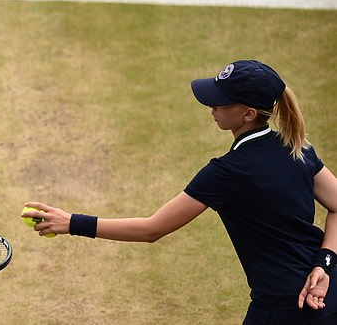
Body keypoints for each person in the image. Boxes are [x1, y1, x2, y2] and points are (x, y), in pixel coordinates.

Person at [23, 60, 337, 324]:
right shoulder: (298, 148)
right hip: (327, 289)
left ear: (248, 114)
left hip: (286, 306)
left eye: (221, 102)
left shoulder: (227, 172)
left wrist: (72, 222)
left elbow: (152, 229)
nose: (211, 107)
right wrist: (324, 263)